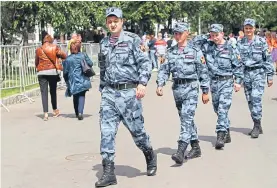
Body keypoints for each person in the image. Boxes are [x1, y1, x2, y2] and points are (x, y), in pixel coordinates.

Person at [95, 7, 157, 187]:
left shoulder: (132, 40)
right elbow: (103, 67)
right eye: (109, 21)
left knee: (138, 133)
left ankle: (149, 154)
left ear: (122, 22)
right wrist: (102, 88)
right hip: (109, 94)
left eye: (115, 21)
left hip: (129, 94)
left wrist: (142, 84)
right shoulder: (104, 43)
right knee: (106, 132)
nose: (112, 24)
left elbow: (145, 63)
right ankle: (108, 173)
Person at [156, 22, 210, 164]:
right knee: (186, 118)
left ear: (187, 33)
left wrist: (205, 90)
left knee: (186, 117)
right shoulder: (171, 51)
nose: (177, 36)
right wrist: (160, 84)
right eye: (176, 33)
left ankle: (180, 150)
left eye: (180, 33)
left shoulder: (195, 51)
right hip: (177, 89)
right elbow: (164, 69)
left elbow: (203, 71)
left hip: (191, 87)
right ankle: (196, 146)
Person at [204, 24, 244, 149]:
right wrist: (206, 36)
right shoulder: (208, 47)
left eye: (217, 35)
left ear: (222, 33)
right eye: (212, 35)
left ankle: (220, 135)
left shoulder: (230, 47)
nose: (215, 38)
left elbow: (238, 65)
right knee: (217, 109)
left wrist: (238, 81)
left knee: (222, 109)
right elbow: (195, 42)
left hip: (226, 82)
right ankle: (226, 129)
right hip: (214, 83)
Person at [237, 19, 274, 138]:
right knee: (250, 100)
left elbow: (267, 59)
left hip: (258, 73)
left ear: (254, 29)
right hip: (246, 74)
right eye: (246, 28)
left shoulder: (261, 42)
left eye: (250, 28)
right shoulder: (240, 43)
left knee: (256, 97)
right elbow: (238, 62)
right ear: (244, 29)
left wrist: (270, 76)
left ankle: (256, 125)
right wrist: (238, 79)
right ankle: (257, 122)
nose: (248, 30)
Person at [35, 34, 67, 121]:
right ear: (50, 40)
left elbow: (36, 62)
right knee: (53, 91)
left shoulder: (38, 49)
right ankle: (55, 110)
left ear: (44, 41)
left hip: (41, 73)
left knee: (43, 93)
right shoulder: (54, 47)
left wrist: (38, 69)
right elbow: (63, 55)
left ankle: (45, 114)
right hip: (52, 72)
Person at [62, 40, 93, 120]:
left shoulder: (68, 59)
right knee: (82, 95)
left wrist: (66, 81)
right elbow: (90, 63)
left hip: (73, 81)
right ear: (79, 48)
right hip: (83, 79)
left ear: (70, 49)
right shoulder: (83, 55)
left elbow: (65, 72)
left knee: (75, 96)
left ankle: (76, 112)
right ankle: (80, 112)